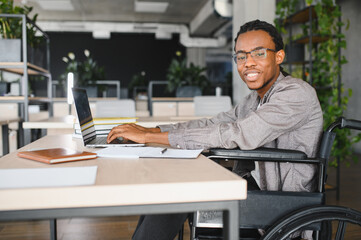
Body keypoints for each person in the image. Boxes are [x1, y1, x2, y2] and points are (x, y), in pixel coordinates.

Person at [107, 19, 323, 240]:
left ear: (279, 56)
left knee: (179, 190)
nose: (248, 63)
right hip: (255, 189)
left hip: (282, 204)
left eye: (258, 53)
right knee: (173, 182)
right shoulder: (253, 100)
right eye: (241, 56)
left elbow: (239, 133)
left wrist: (150, 136)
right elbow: (212, 124)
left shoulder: (296, 93)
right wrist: (152, 131)